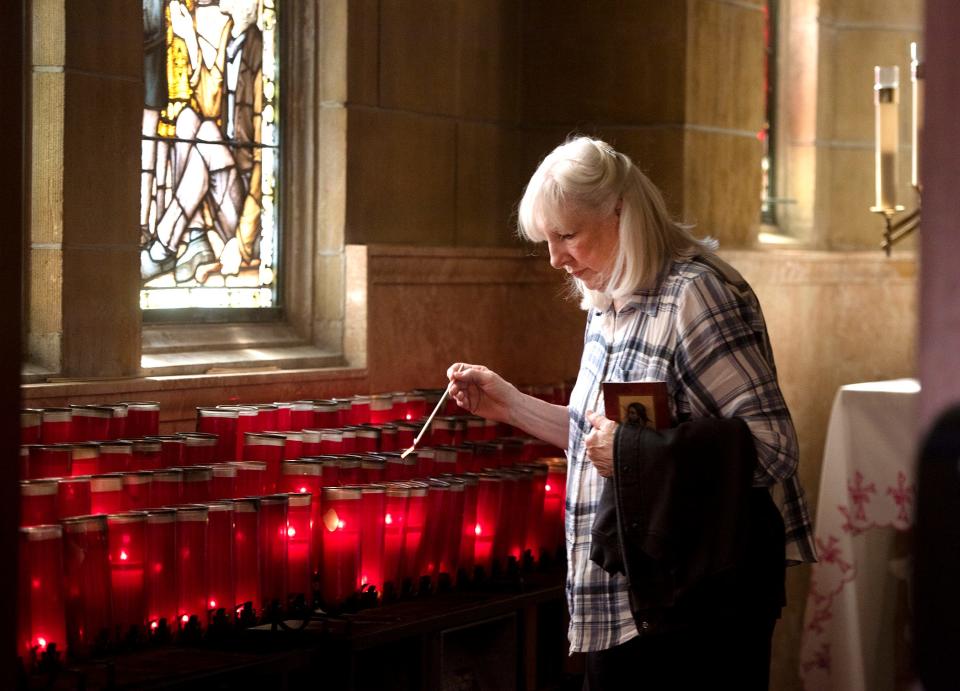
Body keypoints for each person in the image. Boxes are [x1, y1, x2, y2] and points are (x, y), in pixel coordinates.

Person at [447, 136, 816, 690]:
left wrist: (627, 451)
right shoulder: (607, 298)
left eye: (567, 235)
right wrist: (511, 405)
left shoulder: (696, 294)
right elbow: (599, 441)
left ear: (621, 211)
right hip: (630, 594)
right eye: (546, 241)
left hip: (699, 605)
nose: (555, 258)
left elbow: (773, 448)